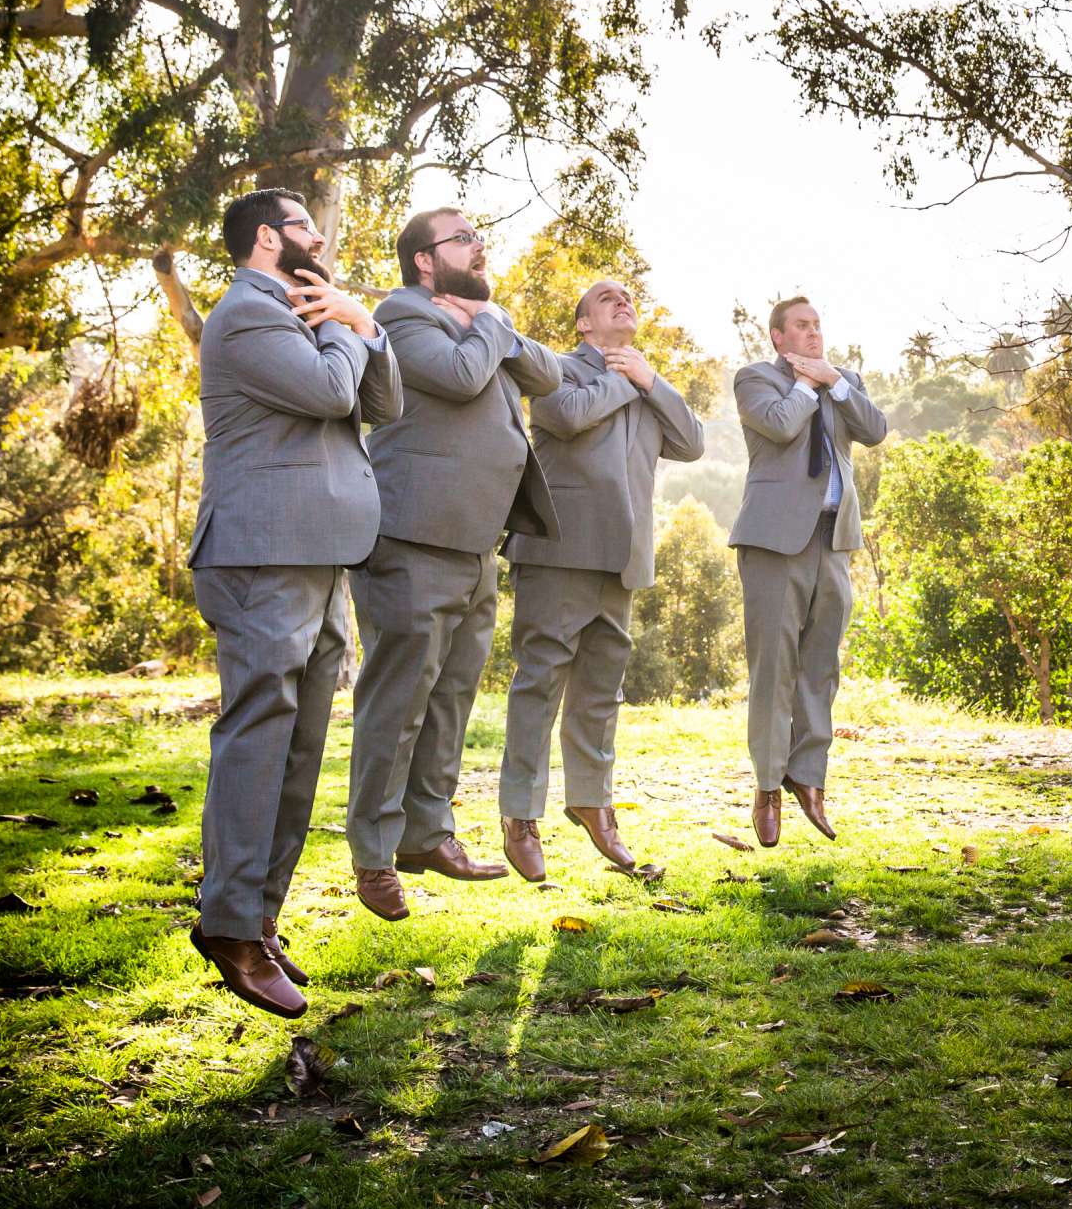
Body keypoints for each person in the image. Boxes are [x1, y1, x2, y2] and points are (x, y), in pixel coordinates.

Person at [188, 189, 399, 1017]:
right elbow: (329, 396)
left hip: (323, 556)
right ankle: (229, 924)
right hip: (259, 553)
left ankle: (261, 917)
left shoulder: (313, 313)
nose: (324, 237)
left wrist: (366, 328)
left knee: (302, 745)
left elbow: (385, 404)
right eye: (309, 225)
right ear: (271, 238)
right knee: (258, 737)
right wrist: (349, 327)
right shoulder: (245, 315)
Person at [346, 207, 561, 921]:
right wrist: (488, 327)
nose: (480, 243)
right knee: (398, 702)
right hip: (411, 537)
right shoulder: (402, 316)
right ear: (425, 261)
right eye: (464, 237)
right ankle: (374, 856)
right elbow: (467, 377)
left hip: (476, 542)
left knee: (450, 699)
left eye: (478, 233)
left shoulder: (472, 317)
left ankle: (427, 835)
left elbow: (550, 373)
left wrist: (487, 321)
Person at [498, 278, 704, 879]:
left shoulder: (645, 382)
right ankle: (520, 815)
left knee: (601, 692)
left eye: (627, 297)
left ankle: (592, 801)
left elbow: (691, 442)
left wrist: (650, 380)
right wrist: (623, 380)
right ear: (584, 324)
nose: (623, 301)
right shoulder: (559, 368)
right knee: (538, 684)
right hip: (561, 551)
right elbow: (562, 416)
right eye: (606, 298)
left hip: (625, 558)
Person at [729, 297, 887, 846]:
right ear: (778, 337)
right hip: (775, 542)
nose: (814, 333)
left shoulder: (846, 380)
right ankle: (768, 787)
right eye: (802, 326)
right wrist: (807, 385)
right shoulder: (755, 379)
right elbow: (778, 426)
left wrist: (836, 383)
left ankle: (809, 778)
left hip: (834, 540)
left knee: (821, 667)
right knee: (774, 668)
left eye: (818, 325)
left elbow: (874, 429)